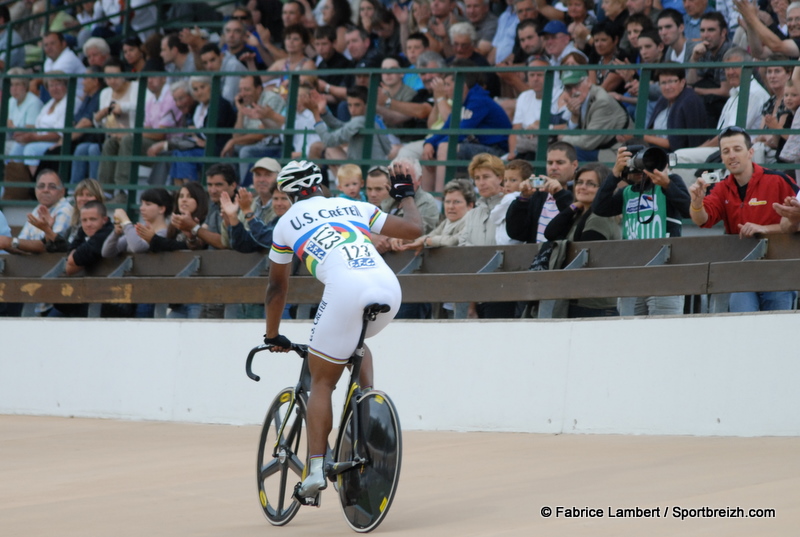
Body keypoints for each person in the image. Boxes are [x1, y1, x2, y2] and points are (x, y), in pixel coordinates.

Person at [264, 159, 422, 499]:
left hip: (346, 291)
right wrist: (407, 194)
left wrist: (272, 334)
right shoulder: (354, 205)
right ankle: (367, 403)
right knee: (355, 341)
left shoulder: (284, 223)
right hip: (388, 288)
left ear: (287, 193)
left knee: (322, 381)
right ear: (321, 185)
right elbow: (413, 228)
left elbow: (277, 289)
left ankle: (316, 469)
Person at [688, 126, 799, 312]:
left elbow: (797, 220)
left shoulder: (778, 180)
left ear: (750, 152)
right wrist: (696, 203)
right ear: (721, 158)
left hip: (779, 271)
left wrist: (765, 229)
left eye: (737, 149)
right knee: (744, 326)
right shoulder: (721, 188)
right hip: (742, 272)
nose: (732, 155)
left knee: (776, 332)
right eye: (726, 151)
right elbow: (701, 220)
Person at [593, 145, 691, 315]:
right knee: (631, 334)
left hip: (666, 275)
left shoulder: (669, 183)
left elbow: (688, 210)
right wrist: (614, 174)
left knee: (663, 331)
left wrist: (667, 184)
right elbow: (600, 207)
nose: (640, 170)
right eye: (635, 165)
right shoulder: (626, 193)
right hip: (632, 274)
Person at [544, 163, 621, 318]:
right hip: (580, 299)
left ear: (604, 189)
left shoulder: (599, 218)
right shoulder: (579, 214)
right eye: (579, 182)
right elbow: (550, 233)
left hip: (593, 305)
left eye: (591, 184)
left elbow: (585, 260)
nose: (583, 187)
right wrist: (572, 207)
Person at [422, 59, 512, 192]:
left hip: (496, 151)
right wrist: (429, 143)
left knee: (444, 147)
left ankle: (439, 201)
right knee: (428, 154)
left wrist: (435, 145)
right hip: (476, 147)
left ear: (462, 84)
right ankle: (428, 206)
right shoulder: (462, 102)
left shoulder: (478, 100)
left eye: (448, 84)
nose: (445, 89)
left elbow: (461, 132)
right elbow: (447, 128)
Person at [167, 76, 236, 184]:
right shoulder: (198, 107)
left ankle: (191, 192)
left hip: (218, 149)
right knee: (177, 153)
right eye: (195, 89)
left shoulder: (220, 104)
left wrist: (196, 132)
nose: (199, 92)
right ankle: (180, 194)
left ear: (211, 87)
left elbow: (211, 131)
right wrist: (197, 134)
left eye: (202, 87)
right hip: (200, 147)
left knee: (184, 155)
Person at [506, 141, 577, 243]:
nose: (553, 167)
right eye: (550, 163)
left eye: (560, 163)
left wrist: (560, 194)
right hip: (537, 256)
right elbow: (516, 233)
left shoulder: (581, 193)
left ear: (574, 165)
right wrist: (523, 199)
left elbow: (575, 225)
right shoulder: (537, 195)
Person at [221, 74, 285, 184]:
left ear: (259, 89)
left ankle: (245, 188)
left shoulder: (271, 99)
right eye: (240, 90)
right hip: (256, 143)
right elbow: (237, 136)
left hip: (273, 144)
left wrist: (234, 141)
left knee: (246, 151)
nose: (242, 94)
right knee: (230, 150)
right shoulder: (247, 102)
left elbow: (262, 134)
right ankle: (231, 187)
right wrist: (241, 111)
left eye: (246, 90)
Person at [557, 69, 631, 162]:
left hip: (618, 153)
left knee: (571, 153)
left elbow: (587, 142)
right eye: (568, 88)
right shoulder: (582, 99)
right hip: (600, 148)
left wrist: (563, 138)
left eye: (576, 85)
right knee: (559, 152)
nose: (573, 91)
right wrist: (575, 116)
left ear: (588, 82)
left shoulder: (601, 102)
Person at [6, 75, 72, 177]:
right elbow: (37, 127)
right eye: (51, 85)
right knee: (16, 149)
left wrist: (34, 138)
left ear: (66, 86)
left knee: (31, 149)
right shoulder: (50, 103)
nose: (54, 88)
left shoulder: (69, 102)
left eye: (58, 85)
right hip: (39, 139)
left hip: (55, 142)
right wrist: (24, 135)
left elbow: (58, 134)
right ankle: (11, 188)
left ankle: (37, 184)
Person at [0, 170, 73, 254]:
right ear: (35, 190)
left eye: (52, 187)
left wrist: (11, 242)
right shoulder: (38, 209)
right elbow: (22, 243)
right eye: (41, 186)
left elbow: (52, 247)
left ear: (62, 191)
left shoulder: (65, 209)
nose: (45, 190)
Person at [399, 178, 475, 252]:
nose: (451, 207)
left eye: (457, 202)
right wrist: (405, 241)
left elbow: (452, 241)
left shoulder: (472, 222)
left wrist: (425, 241)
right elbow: (430, 236)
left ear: (470, 206)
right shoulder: (446, 222)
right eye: (447, 202)